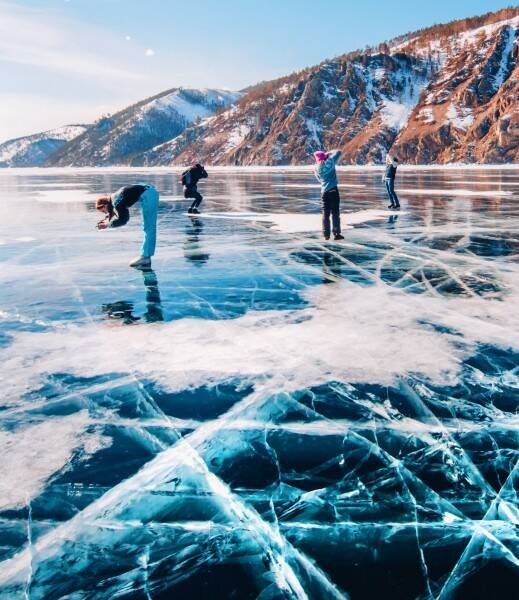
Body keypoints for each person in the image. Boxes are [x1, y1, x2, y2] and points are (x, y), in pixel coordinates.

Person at [96, 183, 159, 268]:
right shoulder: (115, 197)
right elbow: (114, 211)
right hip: (148, 191)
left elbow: (123, 219)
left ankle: (146, 257)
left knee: (149, 227)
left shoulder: (116, 201)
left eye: (103, 211)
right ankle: (146, 255)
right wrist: (106, 220)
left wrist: (107, 225)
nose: (106, 213)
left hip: (148, 195)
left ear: (104, 205)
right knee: (148, 227)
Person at [313, 150, 344, 241]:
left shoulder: (316, 168)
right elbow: (338, 152)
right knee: (335, 213)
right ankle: (336, 234)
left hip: (324, 192)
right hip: (333, 191)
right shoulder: (330, 162)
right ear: (324, 156)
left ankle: (326, 235)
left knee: (325, 214)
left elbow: (319, 179)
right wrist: (329, 153)